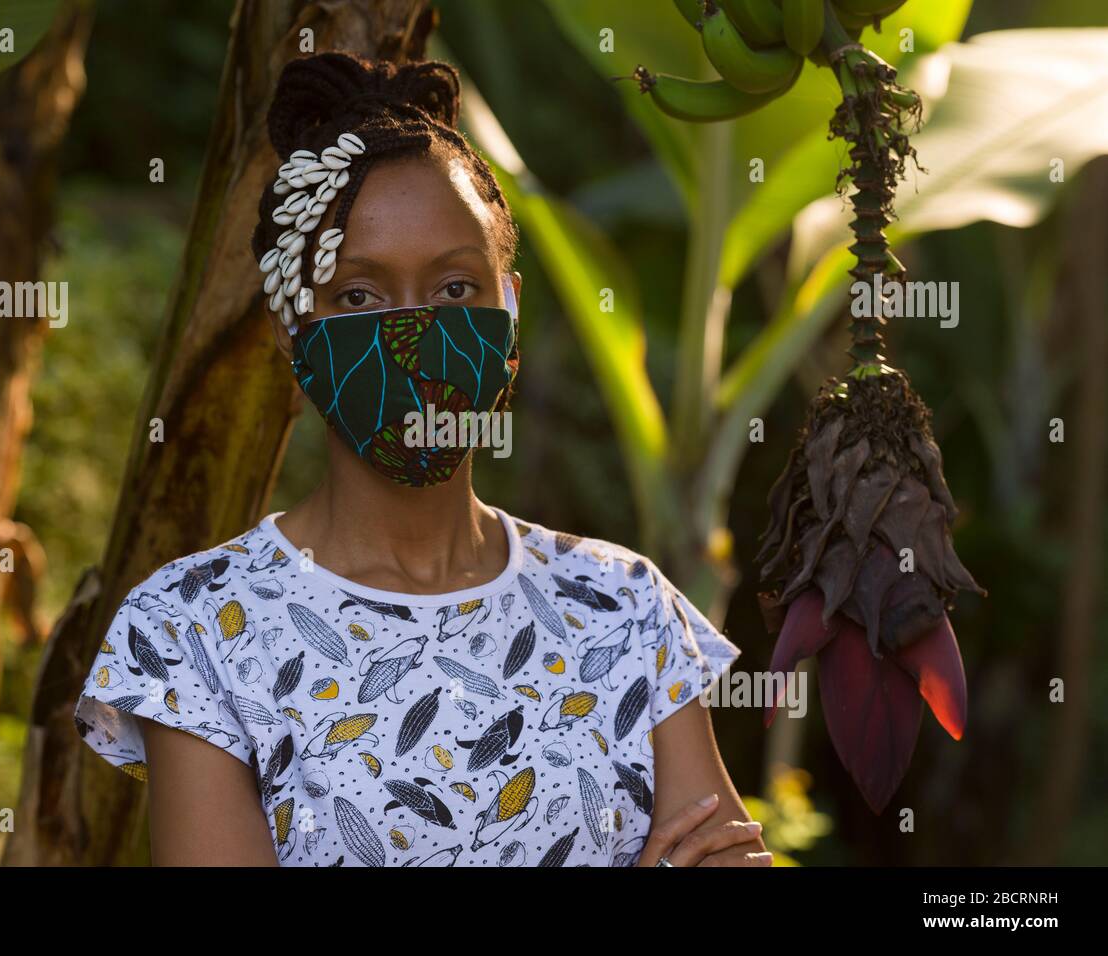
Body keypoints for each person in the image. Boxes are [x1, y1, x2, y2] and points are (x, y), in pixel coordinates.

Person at [75, 51, 769, 868]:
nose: (414, 336)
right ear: (292, 332)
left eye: (453, 290)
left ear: (508, 313)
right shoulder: (197, 629)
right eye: (360, 296)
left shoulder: (621, 607)